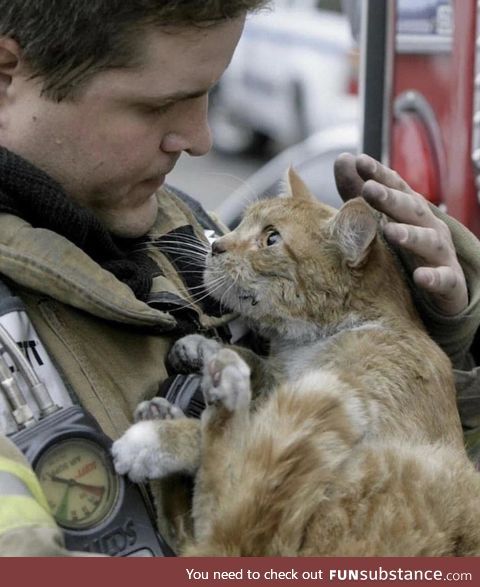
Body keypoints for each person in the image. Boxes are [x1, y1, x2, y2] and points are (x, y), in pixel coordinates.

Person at [0, 0, 479, 557]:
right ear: (8, 76)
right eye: (161, 104)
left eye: (208, 93)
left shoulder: (183, 225)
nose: (202, 138)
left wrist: (432, 336)